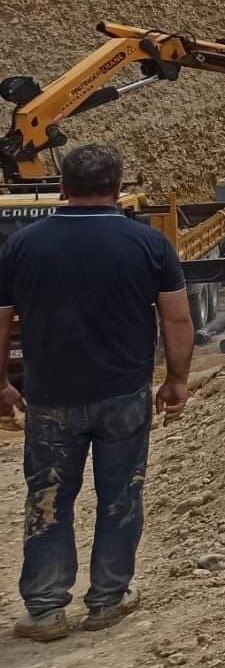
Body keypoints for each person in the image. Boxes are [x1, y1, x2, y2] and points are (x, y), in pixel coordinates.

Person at [0, 142, 192, 640]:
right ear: (118, 187)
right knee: (120, 494)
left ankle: (44, 609)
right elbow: (176, 318)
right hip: (123, 395)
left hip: (50, 398)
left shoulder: (22, 245)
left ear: (62, 187)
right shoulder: (150, 244)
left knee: (48, 497)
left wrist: (1, 383)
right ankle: (107, 599)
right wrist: (176, 379)